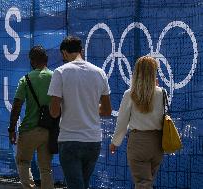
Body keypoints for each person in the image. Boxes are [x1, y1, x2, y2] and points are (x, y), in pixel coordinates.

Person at [48, 36, 112, 189]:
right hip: (93, 140)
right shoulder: (99, 72)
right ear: (81, 50)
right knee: (83, 184)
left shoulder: (60, 72)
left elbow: (54, 112)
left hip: (70, 139)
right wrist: (90, 106)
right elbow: (107, 110)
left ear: (64, 53)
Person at [110, 56, 164, 189]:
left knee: (142, 183)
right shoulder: (162, 93)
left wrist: (115, 142)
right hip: (157, 142)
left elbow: (122, 122)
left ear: (137, 72)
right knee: (148, 181)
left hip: (138, 141)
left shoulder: (130, 94)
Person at [8, 45, 54, 189]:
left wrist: (11, 129)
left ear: (32, 61)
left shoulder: (25, 79)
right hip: (49, 130)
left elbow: (17, 105)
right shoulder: (55, 77)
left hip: (28, 129)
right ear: (46, 59)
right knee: (46, 168)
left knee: (23, 162)